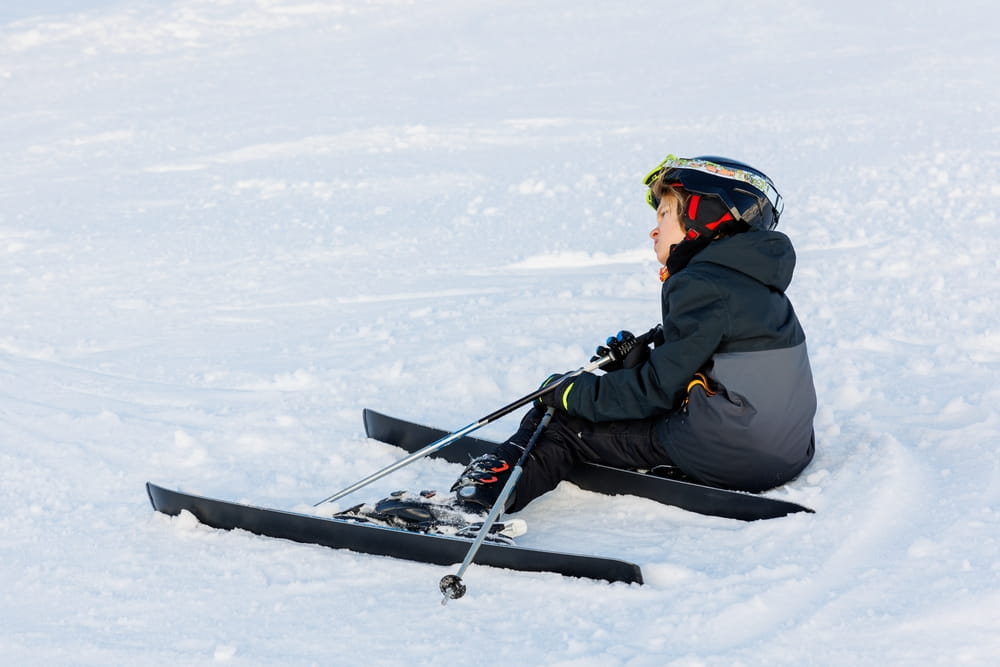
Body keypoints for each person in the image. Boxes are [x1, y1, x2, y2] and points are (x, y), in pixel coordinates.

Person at [451, 155, 817, 513]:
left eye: (664, 214)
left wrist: (570, 394)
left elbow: (656, 391)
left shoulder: (699, 283)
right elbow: (714, 363)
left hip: (734, 453)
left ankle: (473, 502)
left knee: (562, 422)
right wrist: (639, 363)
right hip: (787, 451)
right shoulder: (754, 282)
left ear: (702, 218)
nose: (654, 229)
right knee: (595, 407)